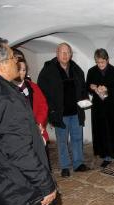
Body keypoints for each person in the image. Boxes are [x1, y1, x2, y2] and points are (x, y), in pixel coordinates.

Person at [0, 35, 57, 205]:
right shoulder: (7, 97)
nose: (16, 61)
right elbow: (20, 151)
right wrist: (46, 185)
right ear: (0, 65)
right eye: (12, 57)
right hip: (17, 188)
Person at [37, 42, 90, 177]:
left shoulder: (76, 69)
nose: (65, 55)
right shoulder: (48, 71)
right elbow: (42, 93)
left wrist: (84, 99)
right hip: (60, 113)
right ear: (57, 53)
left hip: (76, 112)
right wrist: (51, 110)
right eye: (62, 52)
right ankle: (65, 166)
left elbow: (82, 88)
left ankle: (78, 163)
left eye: (67, 52)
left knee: (77, 138)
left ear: (71, 54)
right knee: (62, 140)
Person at [86, 48, 114, 168]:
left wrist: (107, 89)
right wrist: (92, 87)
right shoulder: (92, 71)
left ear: (107, 60)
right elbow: (87, 86)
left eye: (102, 62)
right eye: (98, 62)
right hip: (99, 108)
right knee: (102, 131)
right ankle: (106, 156)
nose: (100, 65)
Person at [13, 58, 51, 169]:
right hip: (20, 133)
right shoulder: (8, 88)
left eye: (24, 70)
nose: (21, 73)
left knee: (42, 164)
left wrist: (38, 123)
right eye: (19, 69)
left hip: (37, 129)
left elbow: (43, 106)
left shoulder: (32, 86)